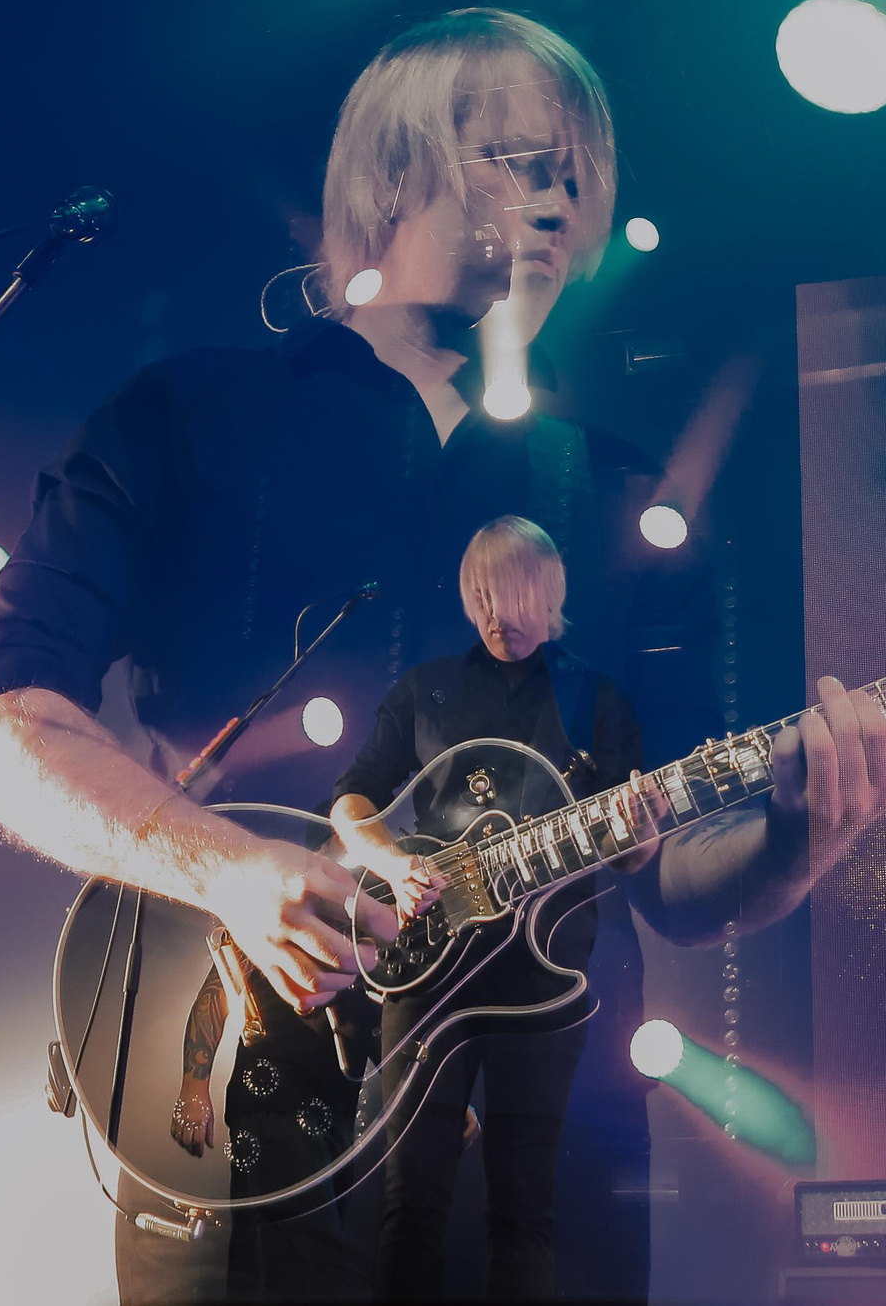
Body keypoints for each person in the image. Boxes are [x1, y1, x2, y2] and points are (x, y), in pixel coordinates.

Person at [0, 7, 886, 1302]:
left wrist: (797, 838)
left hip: (546, 1127)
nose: (560, 206)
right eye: (521, 161)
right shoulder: (187, 415)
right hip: (244, 1095)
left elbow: (670, 877)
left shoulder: (619, 490)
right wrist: (228, 870)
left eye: (578, 178)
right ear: (393, 173)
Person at [329, 515, 667, 1300]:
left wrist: (640, 832)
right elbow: (352, 801)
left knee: (525, 1206)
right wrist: (389, 861)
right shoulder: (428, 688)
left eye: (508, 594)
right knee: (409, 1201)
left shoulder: (595, 700)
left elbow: (632, 854)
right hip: (426, 965)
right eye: (478, 595)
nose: (493, 613)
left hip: (541, 977)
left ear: (549, 592)